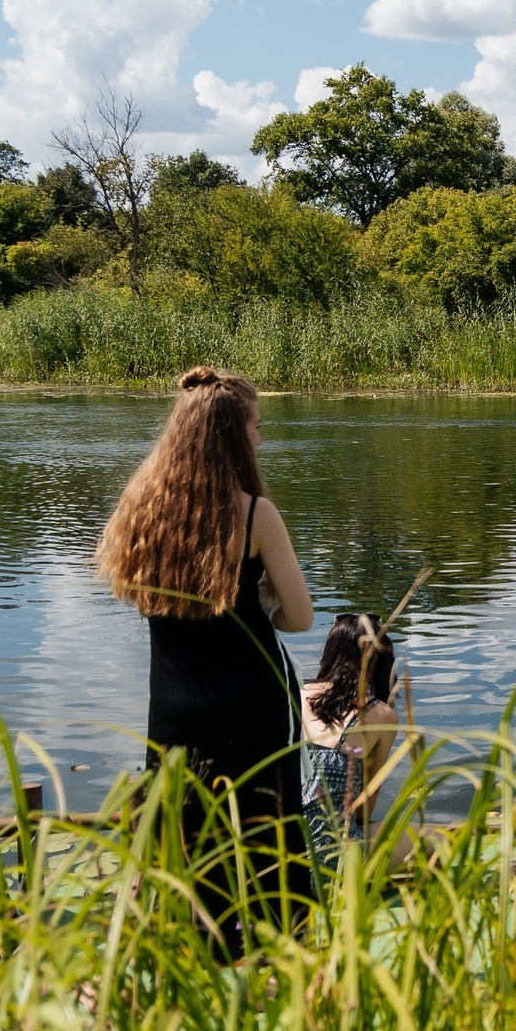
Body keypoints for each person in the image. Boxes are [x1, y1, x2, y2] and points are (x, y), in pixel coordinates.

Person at [95, 365, 315, 951]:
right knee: (264, 829)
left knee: (181, 825)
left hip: (173, 708)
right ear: (229, 436)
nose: (260, 440)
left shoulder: (140, 506)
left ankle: (184, 943)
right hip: (251, 703)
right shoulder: (253, 515)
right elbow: (301, 616)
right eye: (255, 427)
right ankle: (267, 955)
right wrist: (260, 605)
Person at [296, 613, 404, 879]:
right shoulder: (380, 715)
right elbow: (362, 811)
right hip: (333, 865)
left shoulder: (293, 694)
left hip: (279, 860)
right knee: (432, 839)